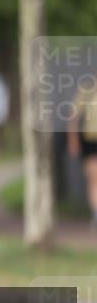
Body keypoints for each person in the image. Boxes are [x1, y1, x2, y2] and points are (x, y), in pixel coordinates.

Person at [68, 82, 97, 229]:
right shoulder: (87, 89)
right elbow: (74, 115)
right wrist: (73, 140)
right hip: (91, 139)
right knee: (94, 178)